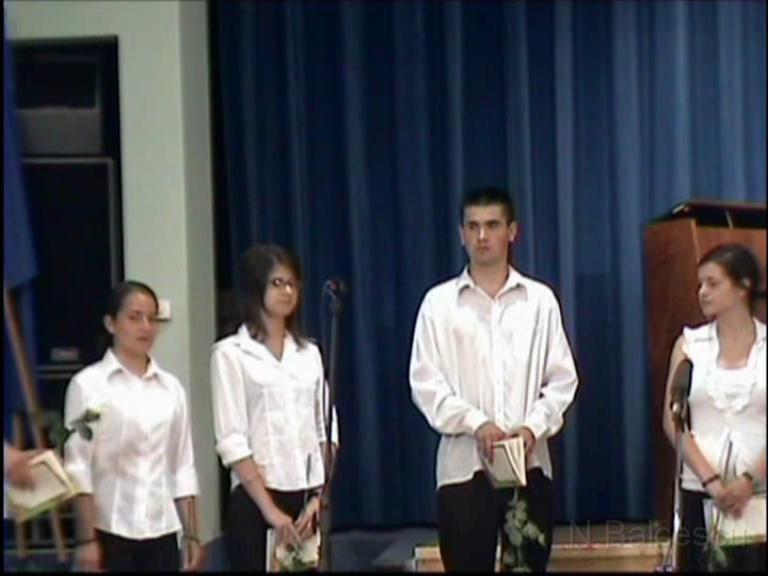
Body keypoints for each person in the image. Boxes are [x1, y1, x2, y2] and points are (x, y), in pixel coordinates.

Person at [409, 186, 579, 572]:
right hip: (463, 468)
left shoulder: (539, 301)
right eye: (473, 227)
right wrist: (476, 422)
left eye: (492, 225)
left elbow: (562, 379)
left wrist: (532, 427)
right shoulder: (439, 304)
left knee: (527, 564)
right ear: (461, 234)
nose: (482, 236)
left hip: (528, 465)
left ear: (512, 231)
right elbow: (425, 381)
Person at [211, 245, 338, 572]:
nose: (287, 292)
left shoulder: (308, 353)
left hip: (305, 500)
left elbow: (325, 428)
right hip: (256, 500)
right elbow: (232, 439)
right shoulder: (231, 353)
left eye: (292, 284)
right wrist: (271, 511)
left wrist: (317, 498)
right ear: (257, 289)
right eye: (277, 283)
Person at [63, 281, 204, 572]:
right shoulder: (90, 387)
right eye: (134, 317)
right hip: (109, 529)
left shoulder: (170, 389)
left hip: (161, 528)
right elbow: (78, 465)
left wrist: (191, 534)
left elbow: (182, 466)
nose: (145, 327)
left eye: (152, 318)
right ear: (111, 323)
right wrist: (86, 539)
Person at [662, 243, 766, 572]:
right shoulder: (689, 346)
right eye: (700, 284)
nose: (702, 292)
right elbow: (672, 421)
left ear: (743, 286)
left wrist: (748, 480)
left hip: (759, 495)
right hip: (701, 490)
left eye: (713, 283)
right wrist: (713, 482)